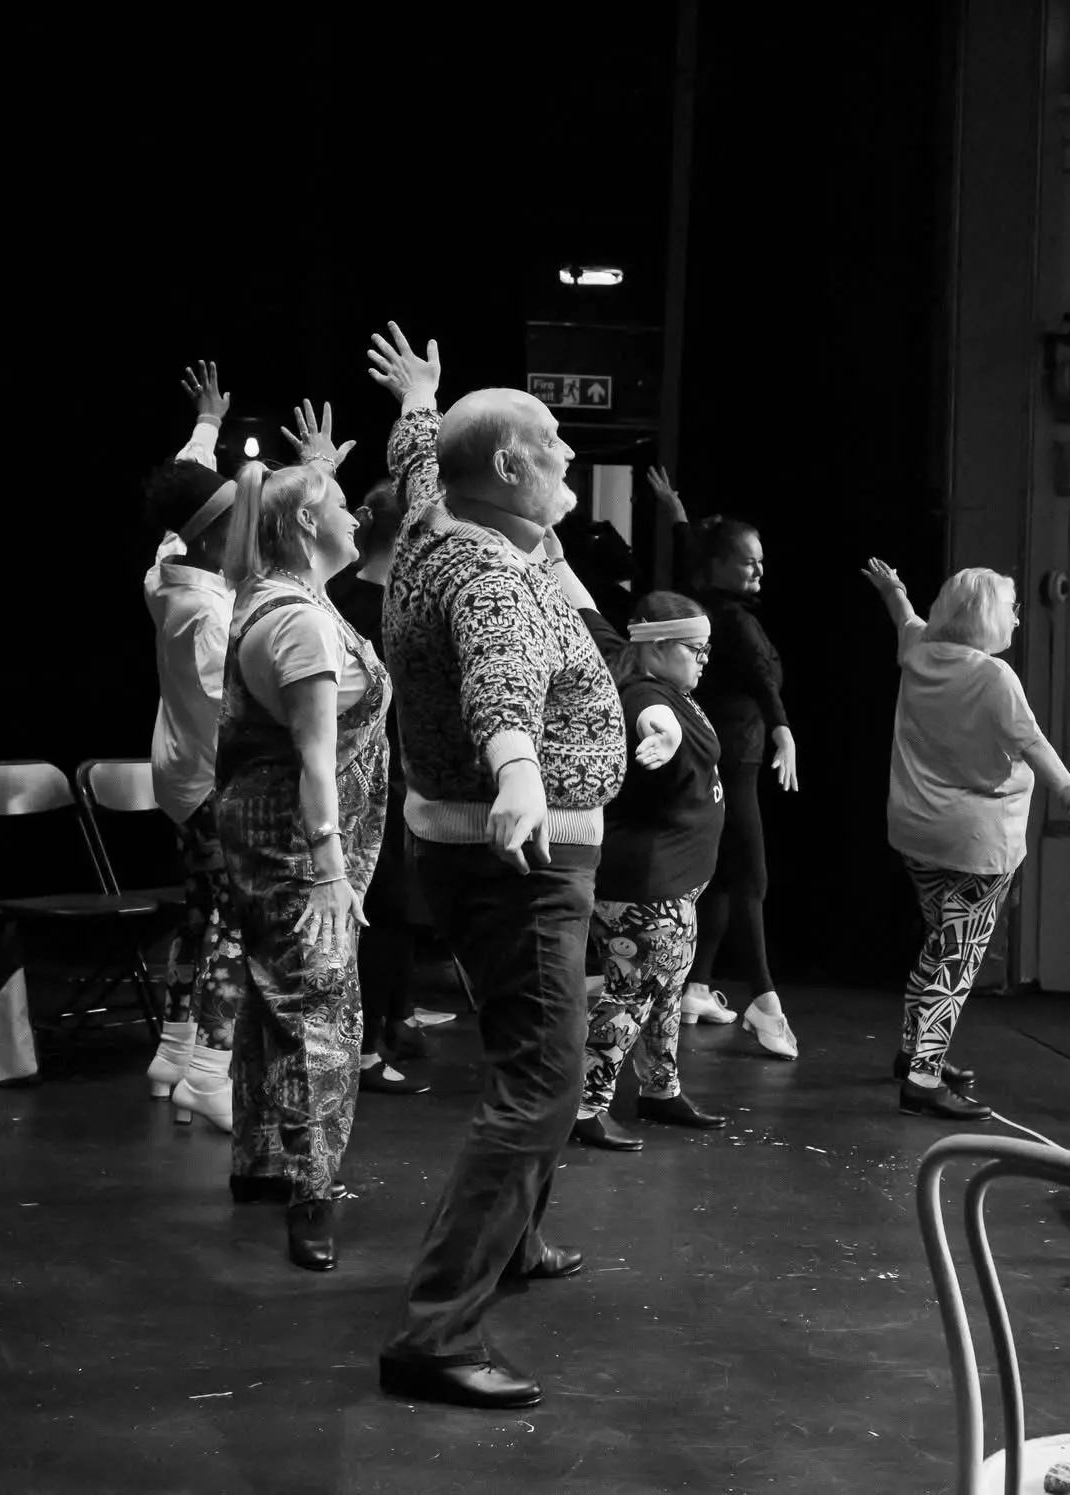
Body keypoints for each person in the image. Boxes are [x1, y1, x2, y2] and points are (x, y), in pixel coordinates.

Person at [367, 322, 624, 1412]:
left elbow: (422, 464)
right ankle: (435, 1332)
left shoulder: (437, 520)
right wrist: (519, 774)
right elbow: (500, 683)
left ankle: (514, 1238)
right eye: (555, 441)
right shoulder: (486, 575)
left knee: (538, 1054)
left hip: (477, 844)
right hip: (518, 857)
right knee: (541, 1078)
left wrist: (418, 405)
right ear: (512, 465)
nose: (570, 452)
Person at [214, 400, 387, 1273]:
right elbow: (316, 759)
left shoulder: (279, 592)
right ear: (310, 525)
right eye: (344, 507)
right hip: (295, 842)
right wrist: (328, 869)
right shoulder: (300, 621)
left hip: (270, 832)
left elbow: (288, 529)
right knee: (321, 1010)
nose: (360, 518)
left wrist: (317, 472)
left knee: (273, 997)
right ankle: (312, 1194)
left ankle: (262, 1163)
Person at [860, 558, 1070, 1122]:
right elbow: (1032, 743)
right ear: (984, 616)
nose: (1017, 618)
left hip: (915, 830)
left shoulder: (921, 651)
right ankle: (923, 1079)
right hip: (976, 842)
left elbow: (904, 618)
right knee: (957, 959)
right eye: (1011, 609)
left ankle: (914, 1052)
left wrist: (894, 589)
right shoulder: (993, 676)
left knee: (939, 941)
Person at [645, 465, 799, 1057]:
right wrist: (783, 731)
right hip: (735, 756)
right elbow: (763, 681)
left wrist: (677, 518)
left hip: (720, 750)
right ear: (721, 565)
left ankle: (696, 987)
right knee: (751, 876)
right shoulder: (732, 619)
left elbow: (694, 555)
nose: (759, 570)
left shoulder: (703, 601)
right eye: (748, 562)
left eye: (761, 561)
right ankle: (765, 1000)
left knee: (724, 877)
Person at [572, 590, 732, 1151]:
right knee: (631, 997)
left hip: (671, 885)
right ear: (659, 646)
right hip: (646, 889)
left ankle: (660, 1090)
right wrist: (664, 736)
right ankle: (584, 1106)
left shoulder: (635, 658)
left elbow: (588, 611)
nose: (705, 659)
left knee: (664, 992)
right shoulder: (646, 693)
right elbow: (651, 717)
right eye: (696, 649)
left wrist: (556, 557)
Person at [143, 360, 250, 1131]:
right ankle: (208, 1069)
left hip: (178, 771)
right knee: (234, 918)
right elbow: (234, 710)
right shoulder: (208, 616)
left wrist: (206, 426)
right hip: (210, 777)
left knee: (199, 910)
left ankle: (172, 1050)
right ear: (213, 538)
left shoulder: (165, 571)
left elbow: (185, 487)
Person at [326, 472, 432, 1098]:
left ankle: (395, 1020)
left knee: (398, 907)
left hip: (387, 772)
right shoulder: (375, 607)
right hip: (370, 775)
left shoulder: (356, 596)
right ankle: (363, 1048)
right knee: (383, 908)